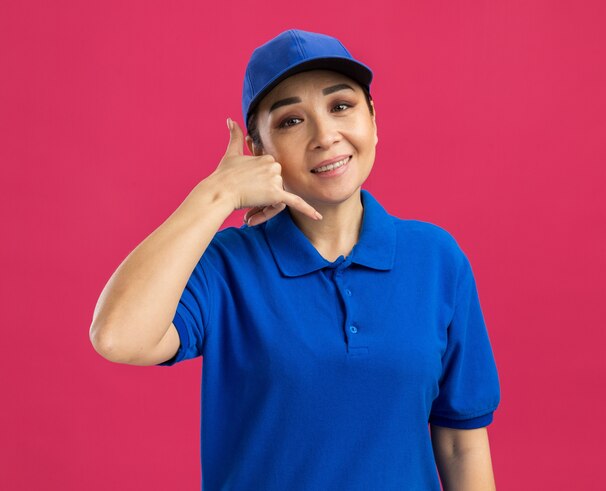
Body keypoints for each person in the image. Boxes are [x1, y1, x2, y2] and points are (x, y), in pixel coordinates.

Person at [90, 29, 501, 490]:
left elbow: (460, 445)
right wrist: (215, 195)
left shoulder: (436, 259)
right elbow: (117, 336)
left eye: (340, 106)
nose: (325, 135)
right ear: (259, 149)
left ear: (372, 119)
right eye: (290, 121)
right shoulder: (226, 267)